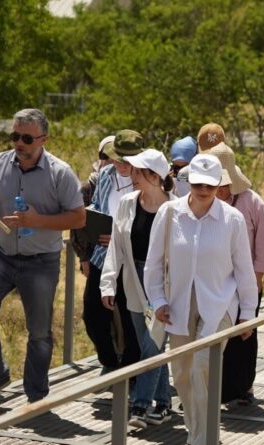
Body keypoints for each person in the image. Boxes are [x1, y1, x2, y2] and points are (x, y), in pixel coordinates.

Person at [0, 108, 85, 405]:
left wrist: (37, 221)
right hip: (0, 253)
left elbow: (79, 218)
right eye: (15, 136)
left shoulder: (61, 173)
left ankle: (36, 395)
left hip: (41, 261)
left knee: (39, 332)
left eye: (26, 137)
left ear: (43, 139)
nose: (19, 143)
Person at [145, 154, 258, 445]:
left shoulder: (232, 219)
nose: (203, 190)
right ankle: (200, 433)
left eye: (209, 184)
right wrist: (157, 300)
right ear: (188, 181)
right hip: (178, 304)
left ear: (219, 184)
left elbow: (245, 268)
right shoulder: (169, 213)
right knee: (181, 373)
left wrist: (248, 313)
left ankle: (202, 440)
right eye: (197, 183)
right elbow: (153, 263)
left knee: (201, 368)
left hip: (220, 303)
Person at [101, 149, 175, 428]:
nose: (131, 177)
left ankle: (140, 407)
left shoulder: (176, 207)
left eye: (138, 172)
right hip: (134, 284)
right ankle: (165, 404)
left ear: (154, 176)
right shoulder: (127, 204)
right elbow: (116, 248)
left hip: (166, 288)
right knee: (150, 346)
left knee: (152, 347)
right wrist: (108, 283)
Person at [208, 142, 264, 405]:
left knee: (244, 335)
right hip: (215, 281)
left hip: (245, 282)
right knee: (215, 334)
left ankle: (243, 388)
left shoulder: (251, 203)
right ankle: (217, 389)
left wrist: (257, 280)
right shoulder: (207, 201)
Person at [81, 130, 144, 377]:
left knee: (131, 317)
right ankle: (108, 361)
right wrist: (94, 220)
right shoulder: (106, 175)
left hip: (132, 258)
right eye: (118, 159)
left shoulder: (148, 180)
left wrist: (122, 236)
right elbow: (97, 204)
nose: (122, 165)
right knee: (92, 314)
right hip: (102, 255)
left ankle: (132, 370)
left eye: (128, 160)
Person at [71, 135, 114, 277]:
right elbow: (78, 226)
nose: (110, 161)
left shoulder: (129, 182)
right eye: (105, 156)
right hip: (93, 254)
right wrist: (84, 259)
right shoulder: (90, 185)